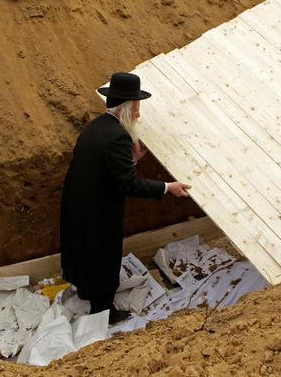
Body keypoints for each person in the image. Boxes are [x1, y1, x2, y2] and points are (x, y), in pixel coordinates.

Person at [60, 72, 192, 323]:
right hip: (99, 212)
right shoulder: (119, 136)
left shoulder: (95, 127)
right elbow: (127, 184)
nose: (138, 115)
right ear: (124, 109)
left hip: (79, 207)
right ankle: (104, 313)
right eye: (136, 109)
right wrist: (167, 187)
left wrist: (131, 160)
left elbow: (105, 168)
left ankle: (89, 293)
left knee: (85, 255)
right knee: (102, 259)